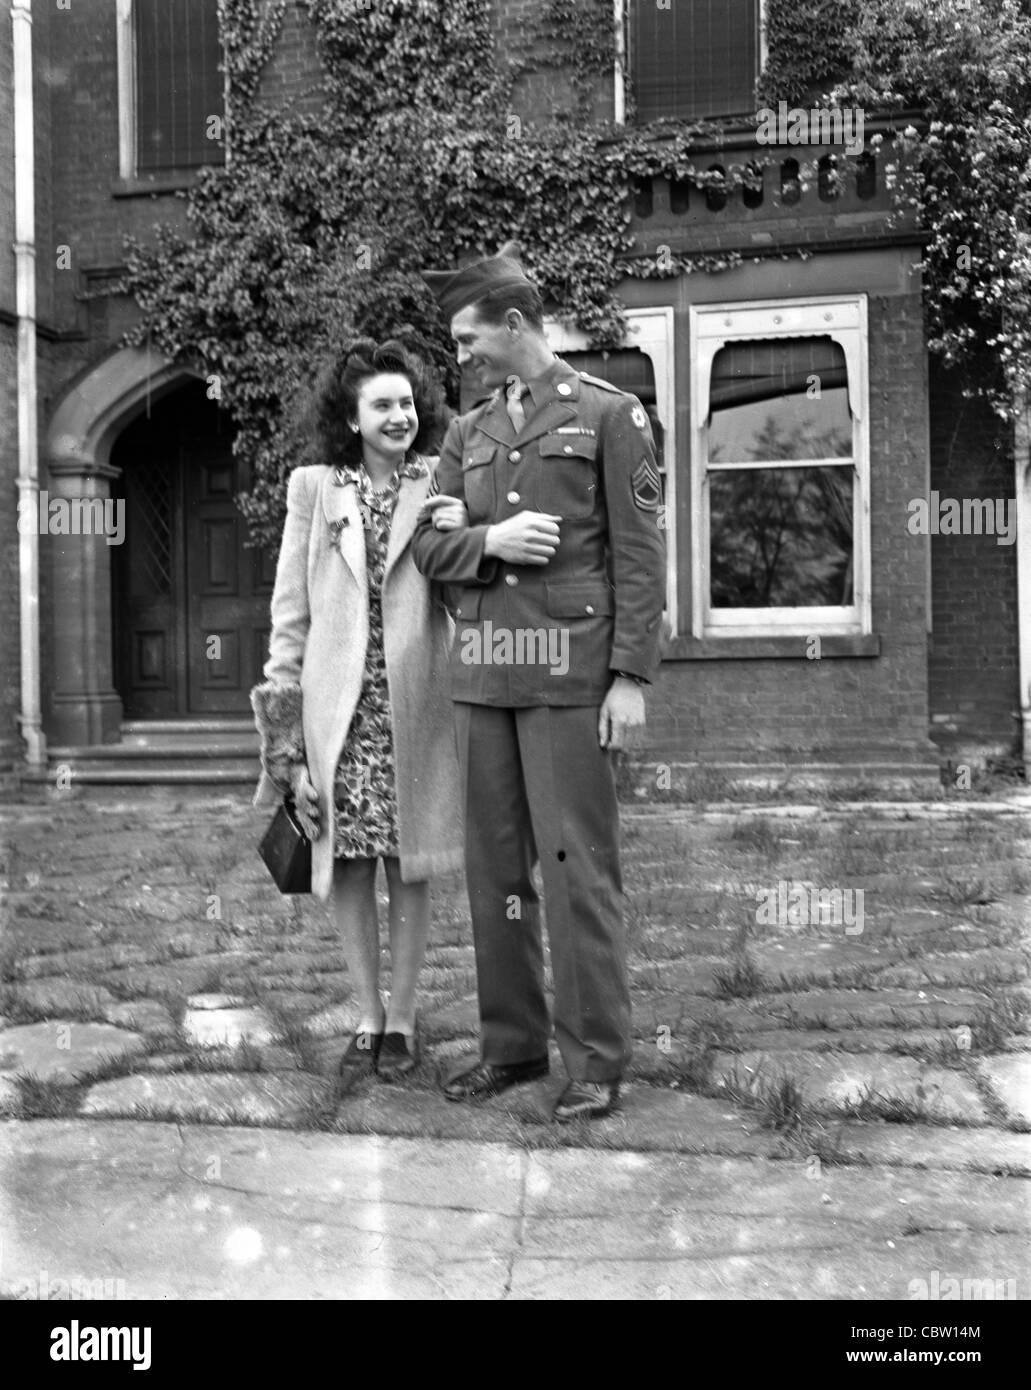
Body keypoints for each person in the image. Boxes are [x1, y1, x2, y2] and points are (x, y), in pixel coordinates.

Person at [413, 243, 667, 1122]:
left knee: (574, 872)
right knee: (496, 877)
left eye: (467, 337)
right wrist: (489, 541)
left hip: (569, 677)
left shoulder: (609, 416)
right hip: (484, 678)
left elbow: (640, 557)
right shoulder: (466, 431)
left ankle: (595, 1059)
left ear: (513, 324)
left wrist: (629, 677)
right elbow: (427, 550)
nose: (461, 356)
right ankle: (511, 1048)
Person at [251, 338, 465, 1087]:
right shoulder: (313, 489)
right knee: (343, 862)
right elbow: (291, 615)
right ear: (350, 416)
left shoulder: (440, 481)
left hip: (416, 703)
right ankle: (366, 1015)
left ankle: (402, 1021)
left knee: (410, 863)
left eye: (408, 403)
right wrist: (283, 743)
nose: (400, 415)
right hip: (335, 711)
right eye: (382, 404)